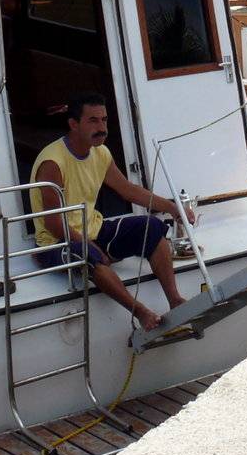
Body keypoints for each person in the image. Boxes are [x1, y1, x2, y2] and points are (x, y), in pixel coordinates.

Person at [29, 93, 195, 330]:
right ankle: (140, 312)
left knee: (152, 226)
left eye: (104, 120)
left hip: (92, 229)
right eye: (93, 121)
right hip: (55, 242)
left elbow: (128, 190)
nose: (102, 128)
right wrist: (91, 246)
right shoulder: (53, 163)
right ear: (73, 124)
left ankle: (174, 299)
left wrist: (173, 208)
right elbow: (55, 225)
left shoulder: (101, 153)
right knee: (88, 254)